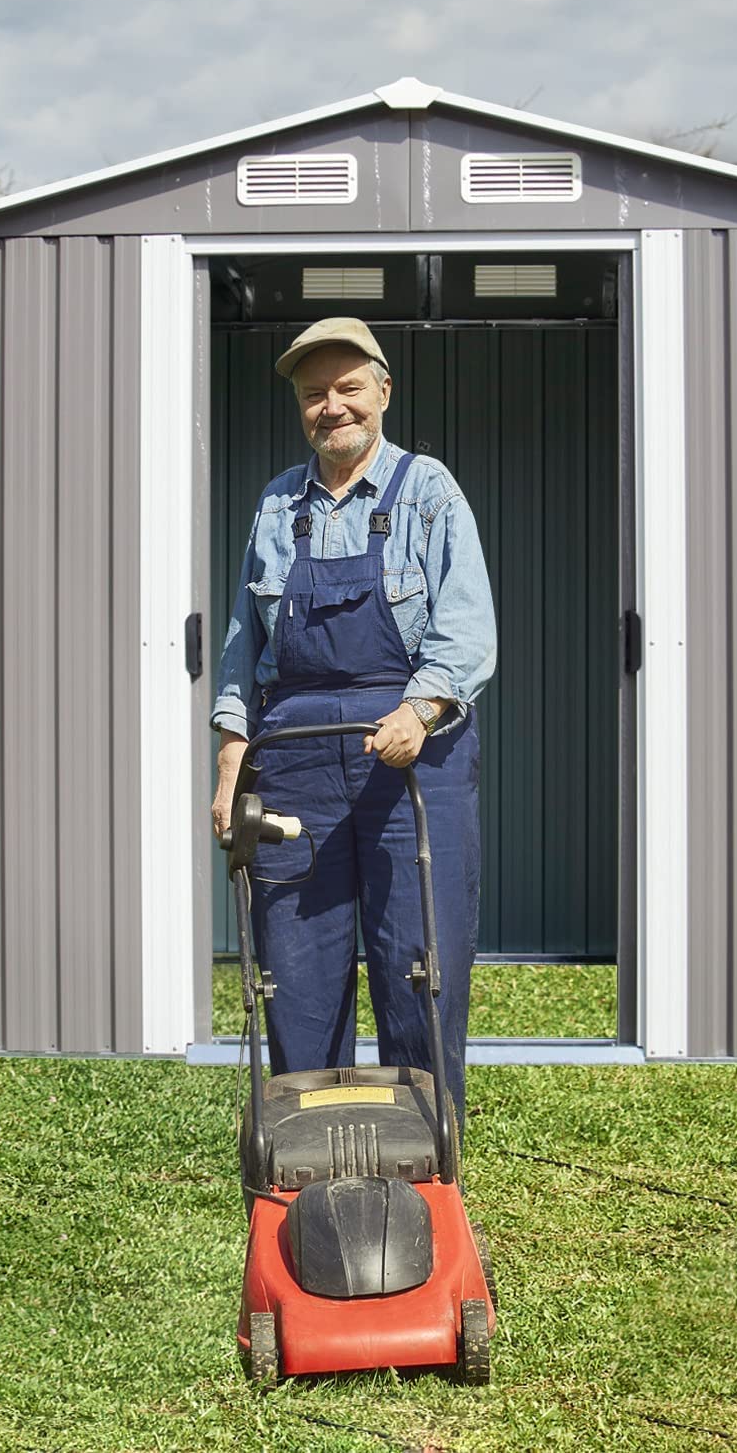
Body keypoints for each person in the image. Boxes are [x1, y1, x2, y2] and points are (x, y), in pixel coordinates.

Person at [210, 317, 496, 1129]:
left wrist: (419, 707)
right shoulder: (277, 503)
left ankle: (423, 1168)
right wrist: (234, 762)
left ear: (383, 392)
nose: (331, 407)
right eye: (313, 395)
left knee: (418, 963)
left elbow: (468, 628)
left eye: (346, 389)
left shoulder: (429, 490)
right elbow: (245, 642)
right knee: (297, 975)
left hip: (411, 764)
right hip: (295, 764)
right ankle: (309, 1170)